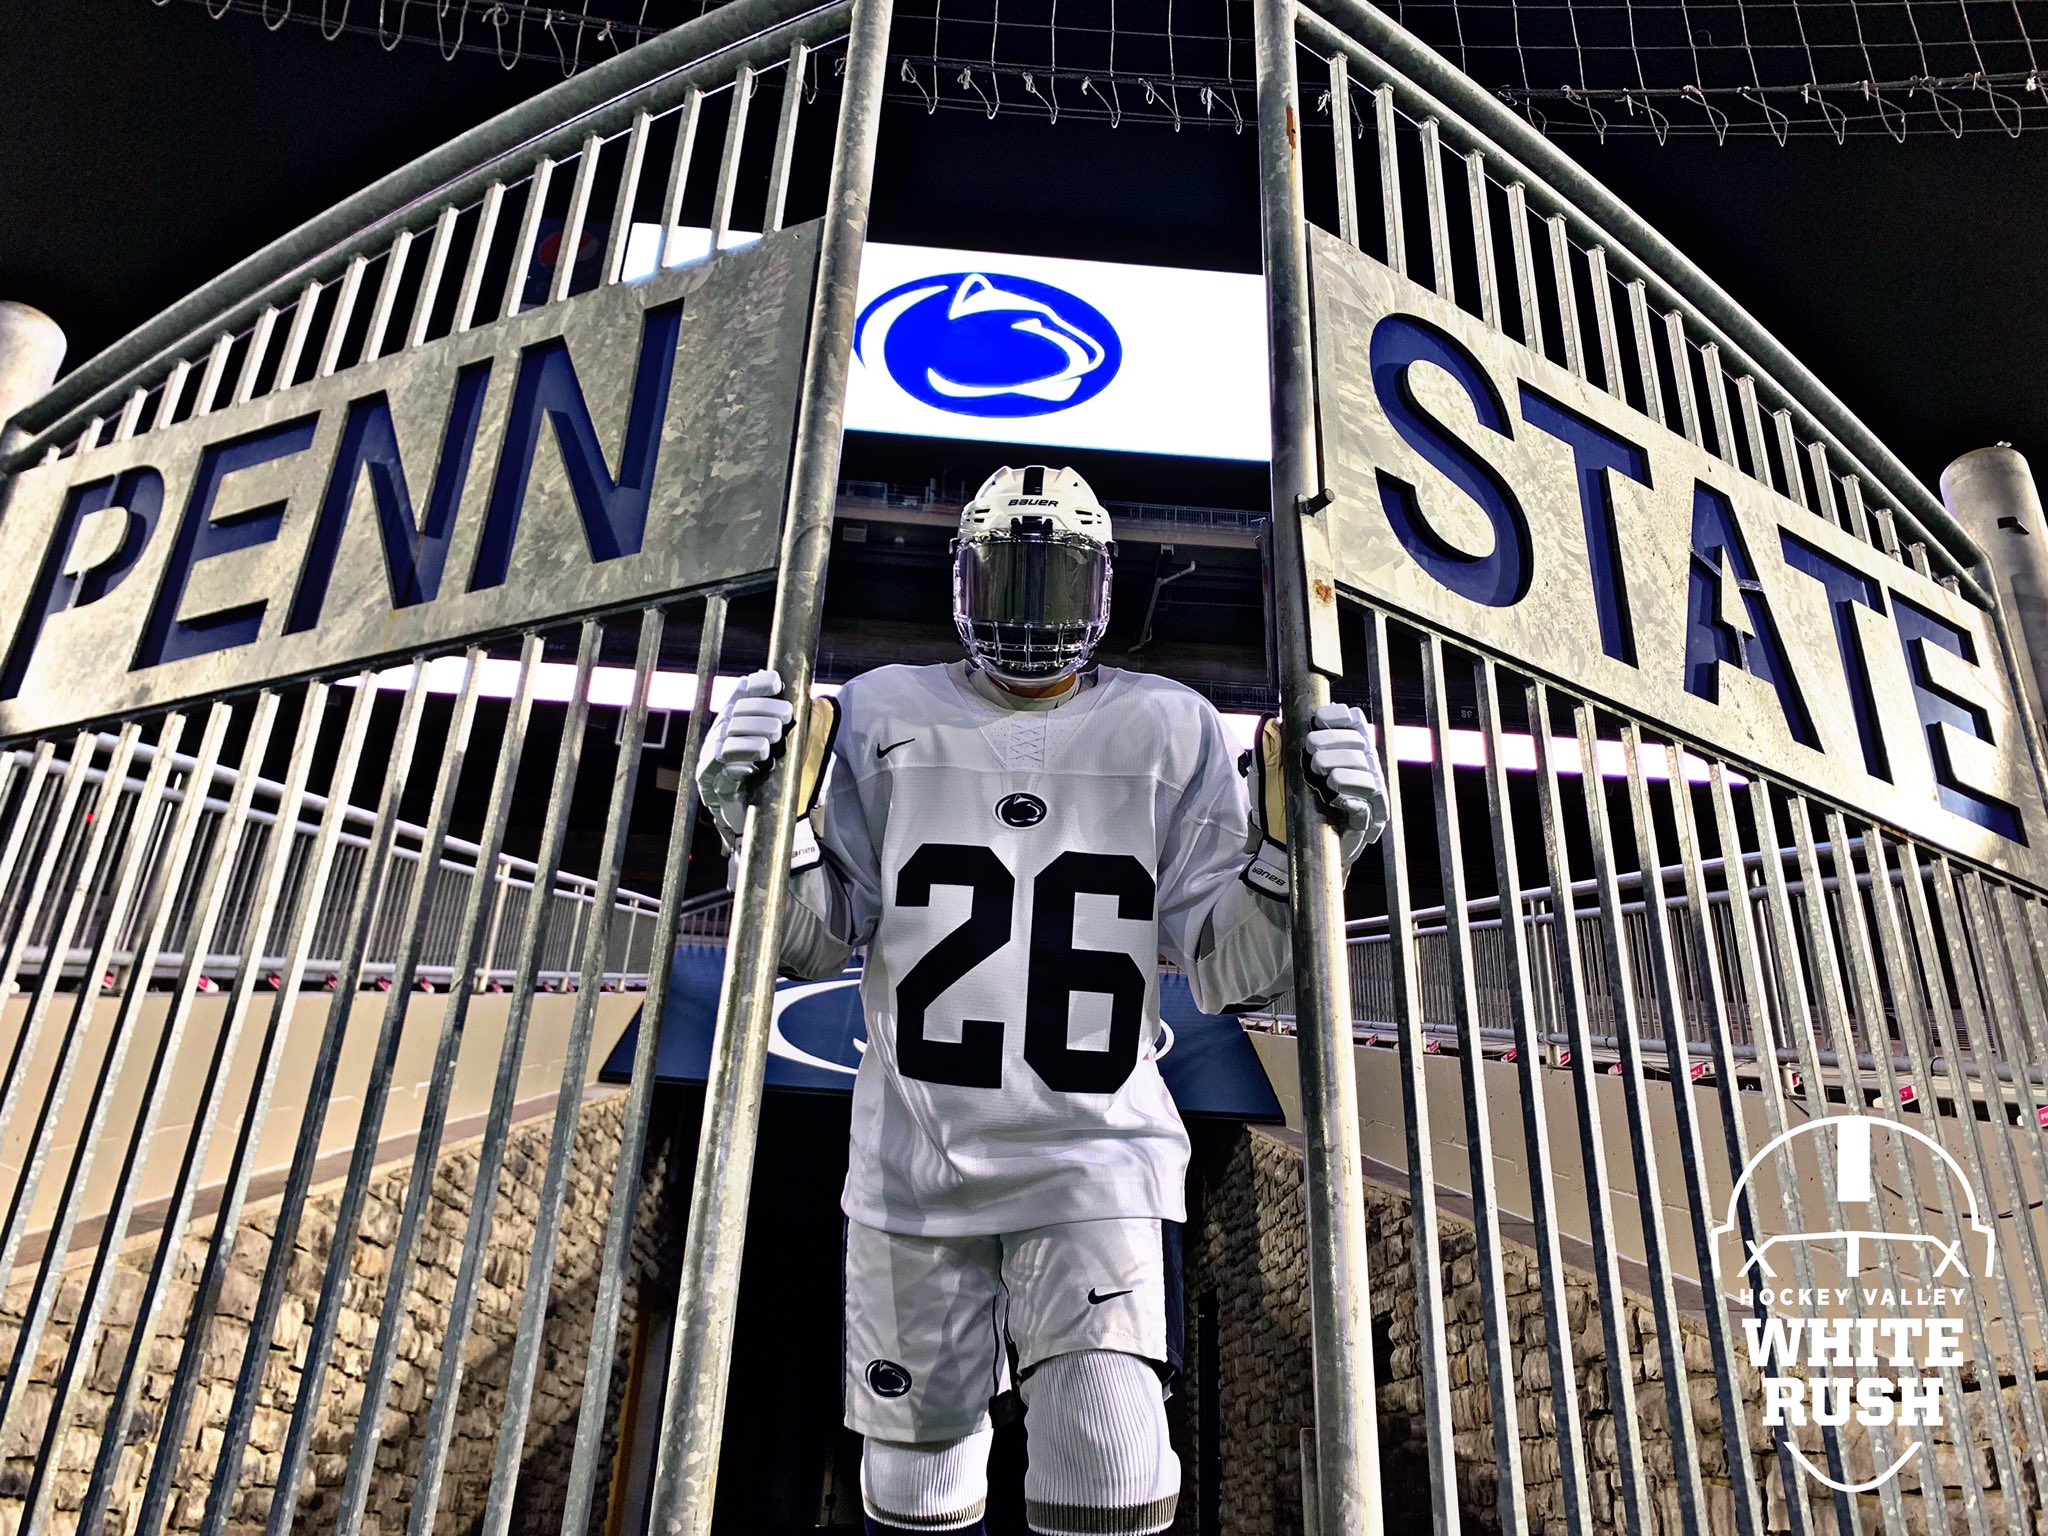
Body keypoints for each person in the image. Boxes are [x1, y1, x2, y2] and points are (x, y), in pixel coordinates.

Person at [695, 466, 1387, 1536]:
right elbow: (805, 942)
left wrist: (1308, 856)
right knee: (916, 1482)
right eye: (1008, 580)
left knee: (1110, 1461)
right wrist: (758, 829)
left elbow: (1228, 969)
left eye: (1053, 582)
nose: (1029, 615)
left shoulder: (1172, 725)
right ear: (961, 581)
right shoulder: (879, 713)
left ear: (1102, 586)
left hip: (1094, 1156)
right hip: (912, 1168)